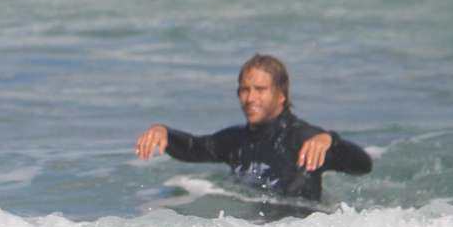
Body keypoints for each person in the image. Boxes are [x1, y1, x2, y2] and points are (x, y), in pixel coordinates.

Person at [134, 53, 371, 201]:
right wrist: (164, 132)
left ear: (281, 95)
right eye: (244, 90)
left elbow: (363, 166)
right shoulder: (237, 140)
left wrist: (332, 140)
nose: (250, 98)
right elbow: (195, 148)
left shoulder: (305, 139)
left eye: (260, 89)